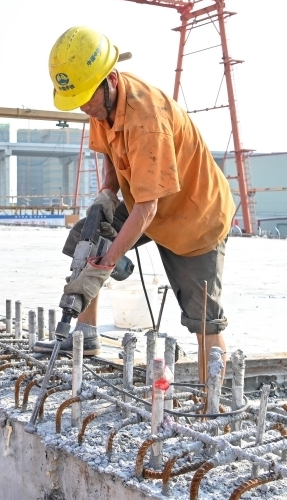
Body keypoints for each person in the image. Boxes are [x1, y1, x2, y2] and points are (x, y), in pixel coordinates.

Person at [34, 26, 234, 380]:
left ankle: (214, 401)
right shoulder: (102, 104)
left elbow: (147, 209)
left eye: (86, 97)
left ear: (109, 79)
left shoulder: (147, 121)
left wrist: (104, 266)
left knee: (204, 315)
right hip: (146, 197)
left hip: (194, 216)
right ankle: (84, 334)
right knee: (90, 234)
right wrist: (107, 196)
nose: (83, 106)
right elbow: (112, 153)